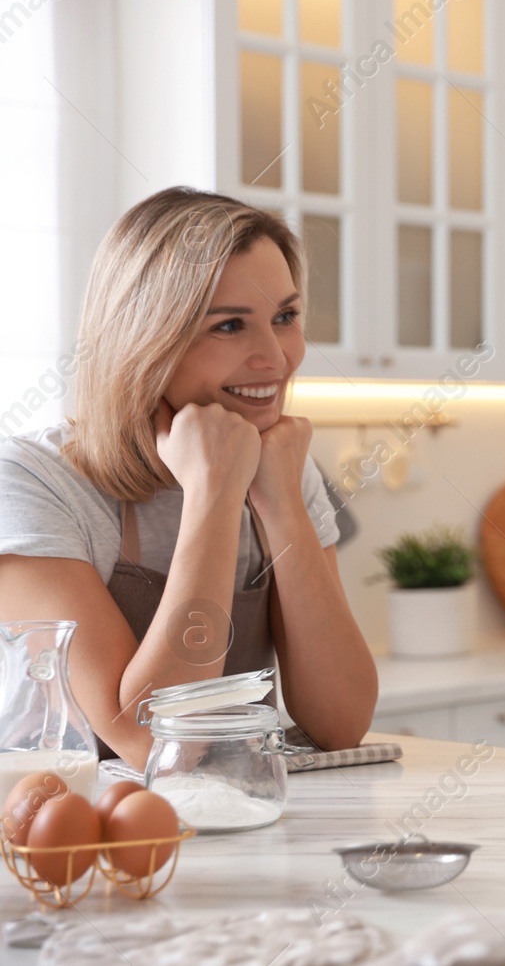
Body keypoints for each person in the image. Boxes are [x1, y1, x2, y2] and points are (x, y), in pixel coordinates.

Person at [0, 187, 378, 768]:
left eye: (285, 317)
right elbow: (151, 743)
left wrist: (280, 503)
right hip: (64, 834)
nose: (276, 358)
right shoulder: (32, 482)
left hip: (236, 819)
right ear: (145, 339)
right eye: (229, 326)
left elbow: (341, 722)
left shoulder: (279, 464)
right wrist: (215, 495)